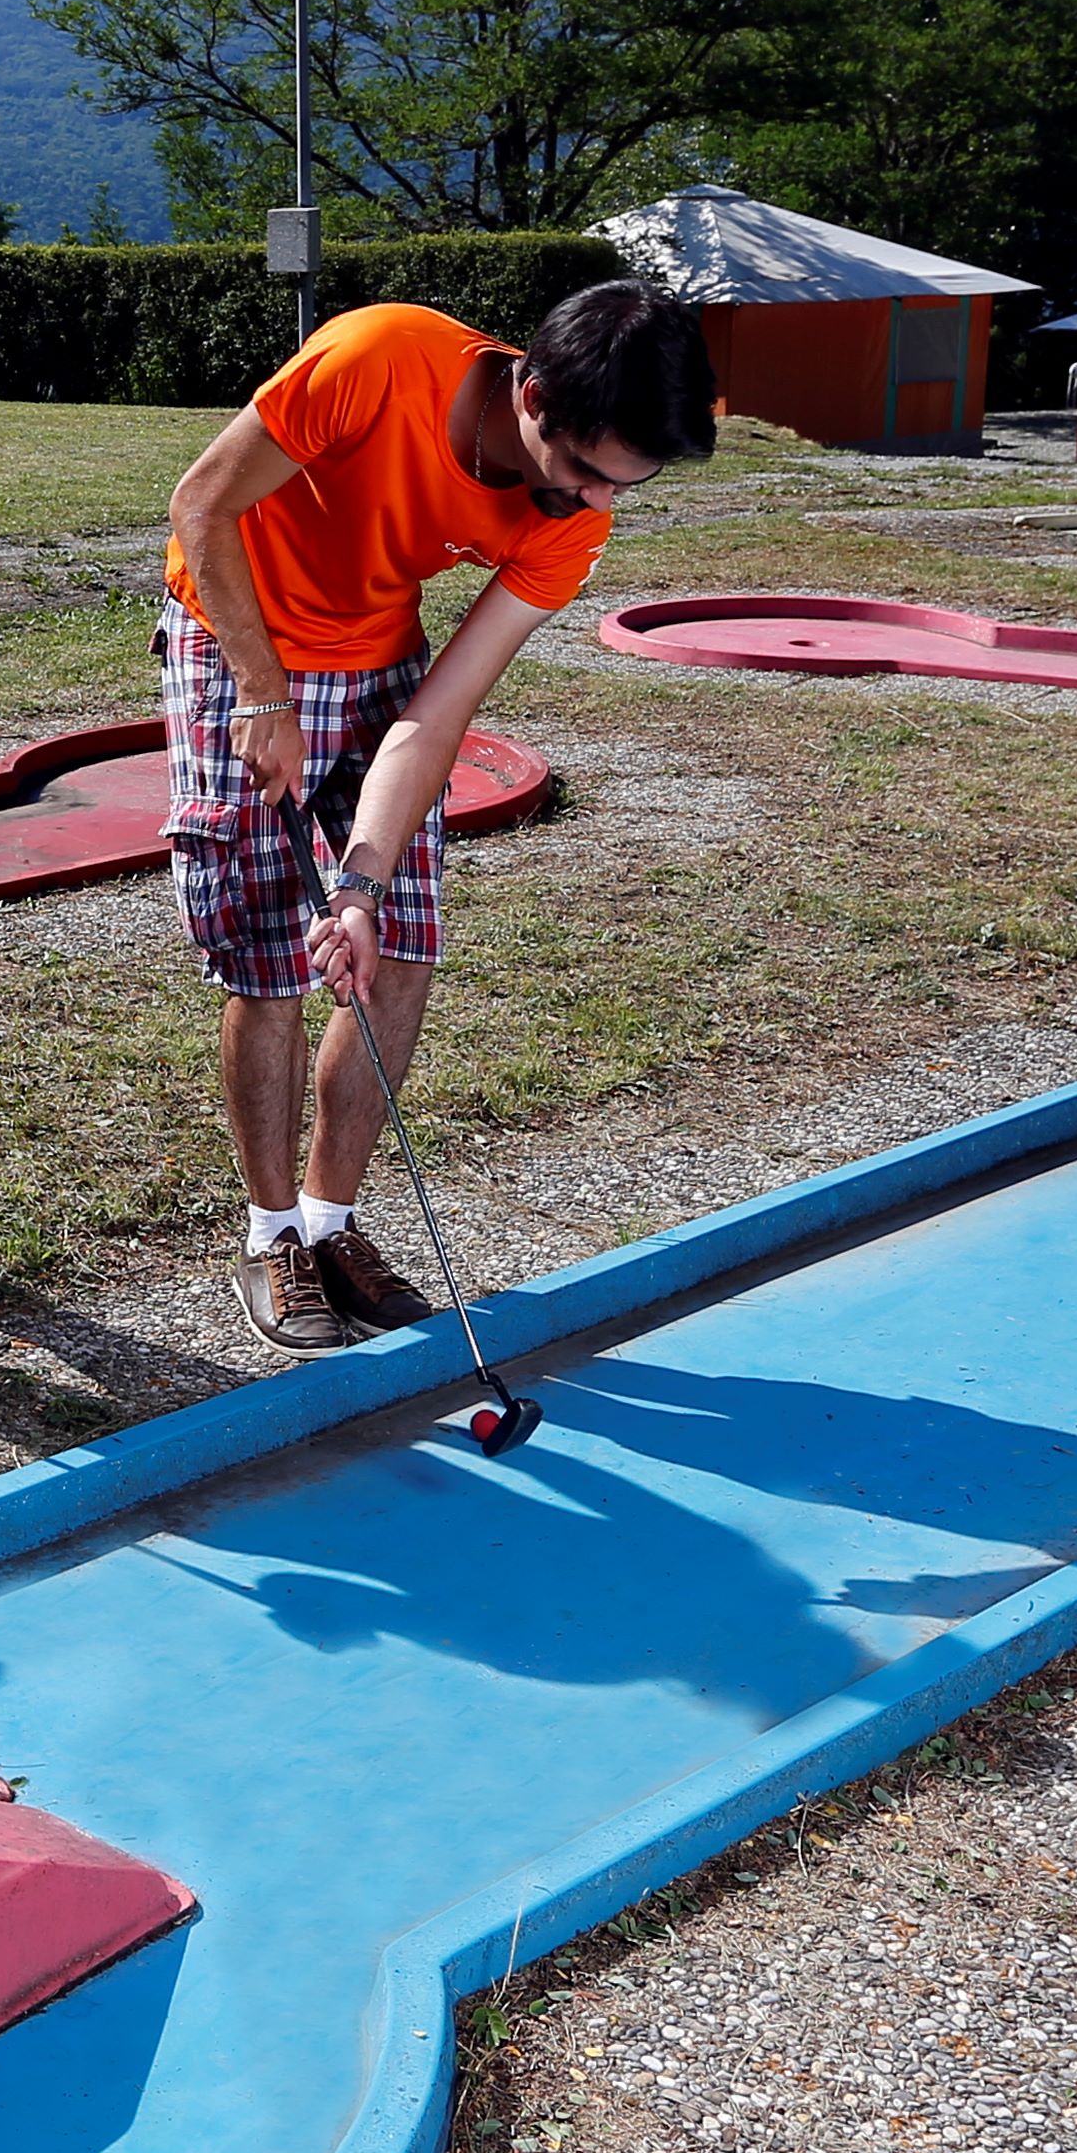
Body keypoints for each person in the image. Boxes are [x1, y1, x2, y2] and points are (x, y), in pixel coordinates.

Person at [161, 279, 714, 1351]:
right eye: (583, 474)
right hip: (237, 633)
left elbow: (438, 715)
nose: (595, 507)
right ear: (534, 395)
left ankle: (333, 1225)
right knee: (269, 955)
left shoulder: (573, 520)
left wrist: (361, 885)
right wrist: (262, 688)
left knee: (398, 948)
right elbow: (200, 504)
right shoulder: (376, 360)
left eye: (623, 490)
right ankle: (272, 1234)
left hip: (379, 660)